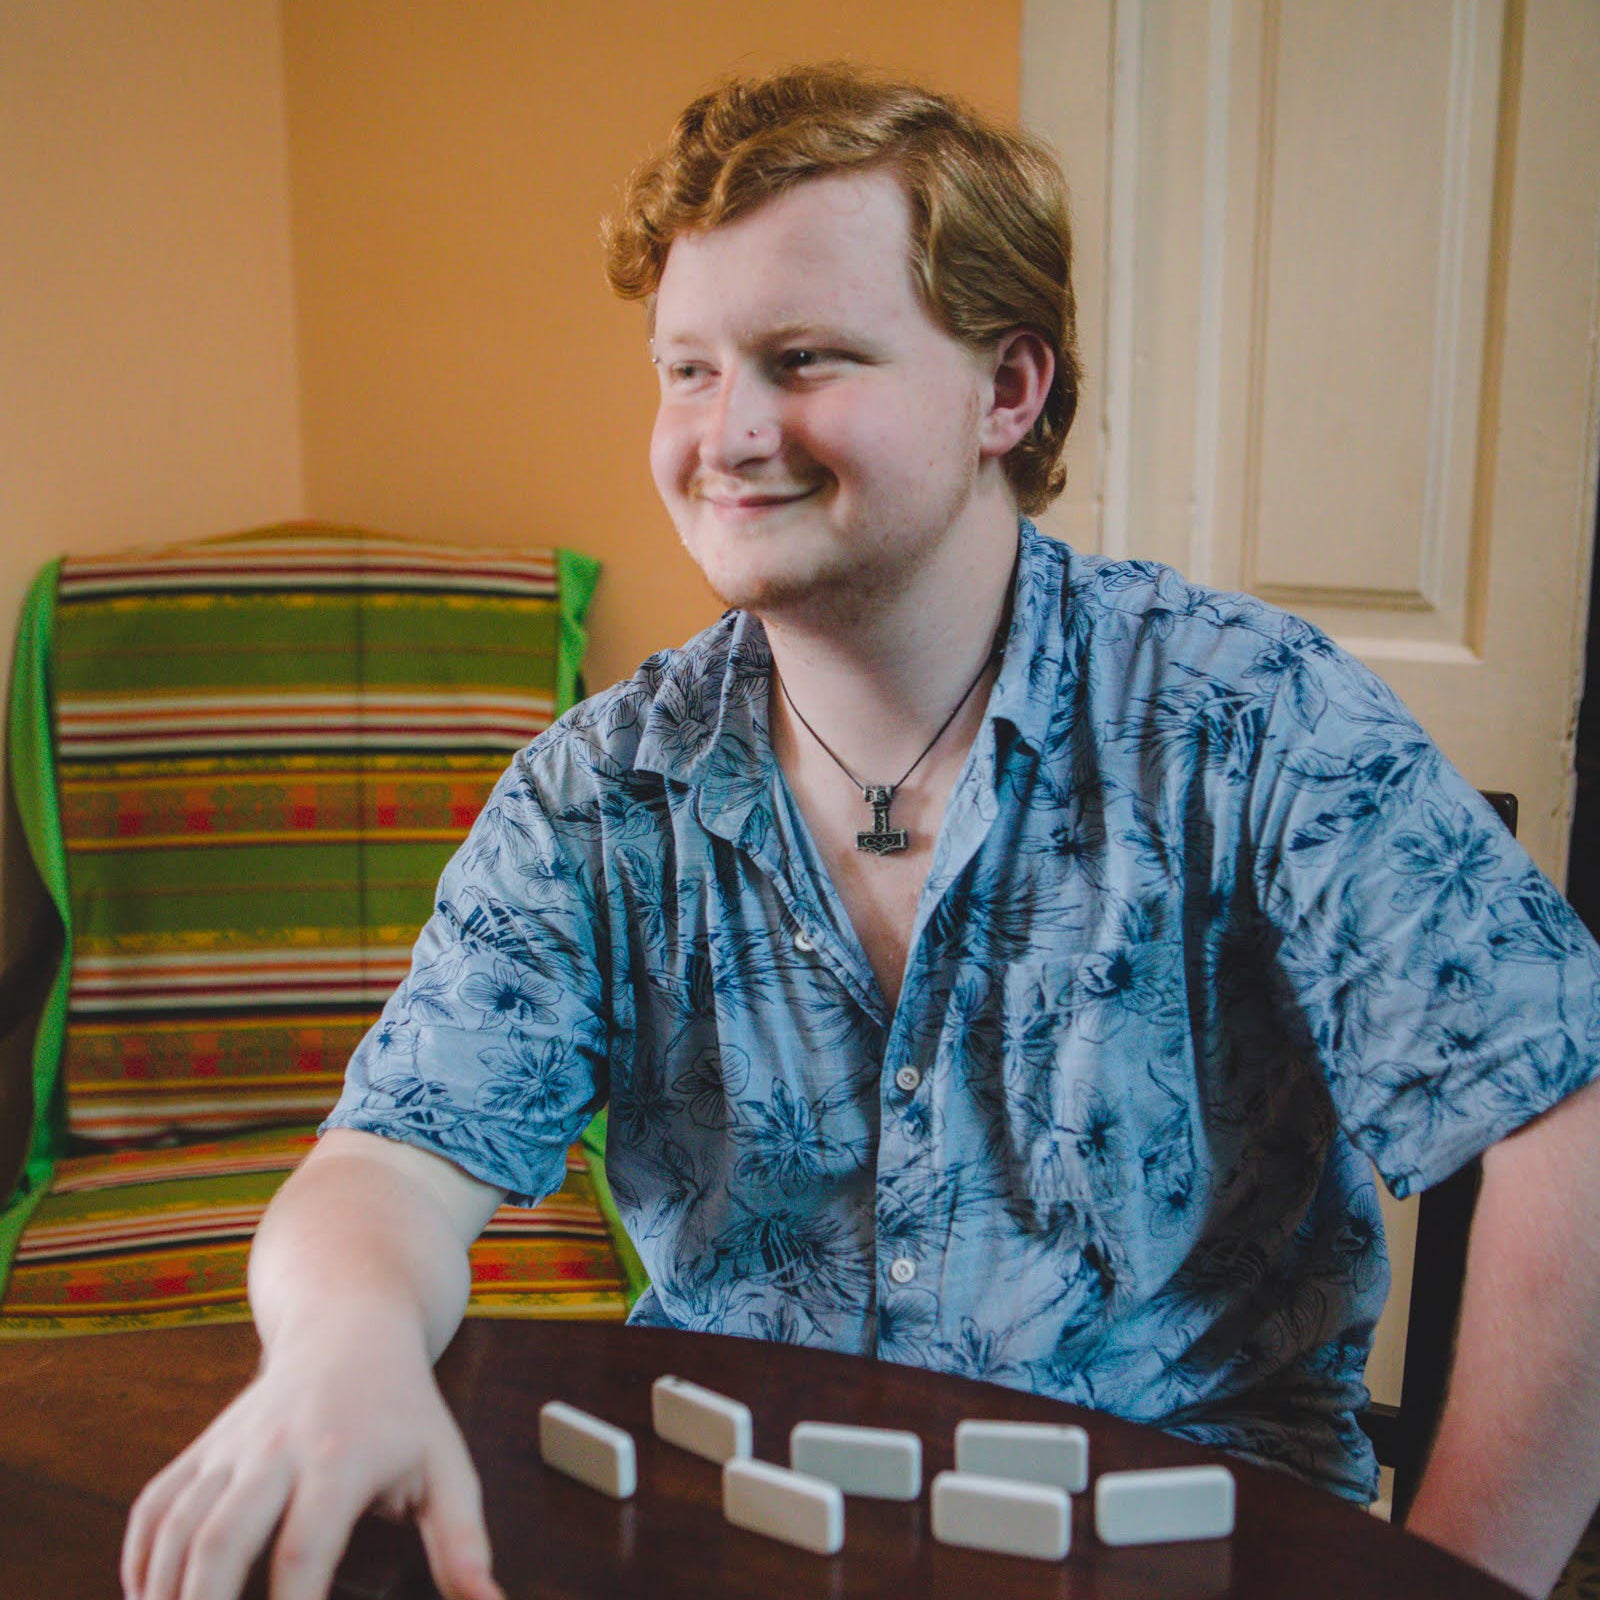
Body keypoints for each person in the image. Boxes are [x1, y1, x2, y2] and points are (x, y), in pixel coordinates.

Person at [122, 63, 1600, 1600]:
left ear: (1006, 390)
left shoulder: (1253, 721)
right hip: (727, 1520)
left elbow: (1569, 1125)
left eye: (802, 356)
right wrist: (341, 1344)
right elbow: (392, 1165)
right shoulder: (596, 793)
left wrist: (1465, 1578)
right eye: (686, 370)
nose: (729, 429)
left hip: (1193, 1537)